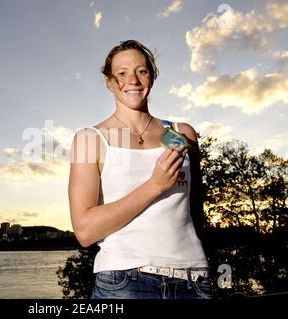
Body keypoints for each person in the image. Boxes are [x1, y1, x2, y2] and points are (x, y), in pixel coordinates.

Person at [68, 40, 212, 299]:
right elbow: (85, 231)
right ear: (109, 82)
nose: (132, 80)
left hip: (193, 280)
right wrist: (154, 186)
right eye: (122, 73)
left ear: (152, 77)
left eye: (142, 71)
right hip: (125, 281)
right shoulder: (90, 139)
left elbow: (196, 214)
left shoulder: (183, 133)